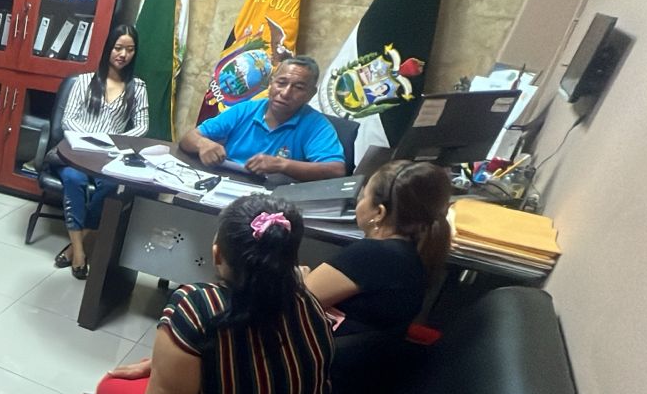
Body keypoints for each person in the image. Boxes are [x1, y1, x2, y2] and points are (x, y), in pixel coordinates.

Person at [75, 195, 333, 394]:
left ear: (217, 253)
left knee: (110, 387)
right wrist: (160, 365)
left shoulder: (197, 306)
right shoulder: (310, 303)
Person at [302, 160, 452, 337]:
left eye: (364, 196)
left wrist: (300, 278)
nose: (358, 203)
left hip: (324, 350)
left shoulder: (372, 254)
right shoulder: (412, 252)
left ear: (379, 213)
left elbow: (294, 303)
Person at [54, 23, 149, 279]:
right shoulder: (84, 81)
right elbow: (68, 120)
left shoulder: (137, 87)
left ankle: (75, 246)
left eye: (130, 49)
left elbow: (142, 126)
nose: (123, 54)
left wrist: (112, 141)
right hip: (78, 152)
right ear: (108, 48)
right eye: (118, 48)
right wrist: (92, 139)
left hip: (109, 156)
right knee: (73, 179)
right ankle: (80, 252)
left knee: (110, 187)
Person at [179, 56, 345, 182]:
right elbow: (188, 139)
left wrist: (282, 165)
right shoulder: (245, 109)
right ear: (271, 83)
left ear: (311, 94)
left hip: (273, 200)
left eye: (298, 88)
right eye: (281, 83)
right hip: (226, 185)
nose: (285, 93)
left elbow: (336, 170)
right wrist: (203, 144)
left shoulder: (316, 125)